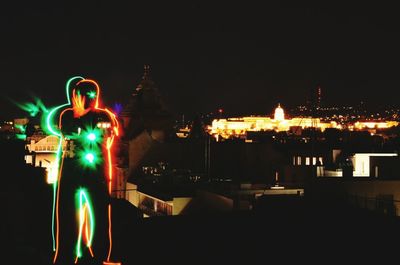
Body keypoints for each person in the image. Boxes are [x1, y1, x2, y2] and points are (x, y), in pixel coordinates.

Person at [52, 78, 119, 264]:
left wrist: (82, 121)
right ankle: (65, 257)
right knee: (66, 219)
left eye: (88, 95)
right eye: (79, 94)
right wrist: (79, 117)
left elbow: (104, 137)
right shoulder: (66, 115)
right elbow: (68, 131)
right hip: (70, 174)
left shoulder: (104, 116)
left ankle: (101, 257)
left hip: (96, 174)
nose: (82, 99)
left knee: (100, 219)